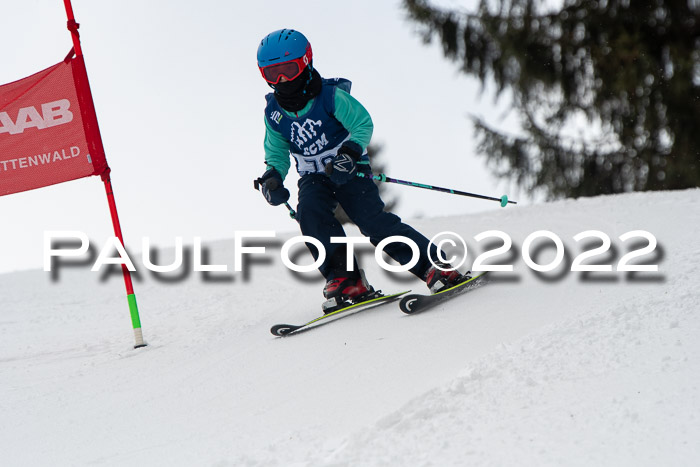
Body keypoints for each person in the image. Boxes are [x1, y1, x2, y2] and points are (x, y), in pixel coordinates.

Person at [256, 28, 468, 312]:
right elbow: (277, 152)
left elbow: (362, 123)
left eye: (288, 70)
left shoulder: (330, 97)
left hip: (349, 168)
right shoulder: (274, 113)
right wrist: (273, 176)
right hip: (312, 176)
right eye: (272, 74)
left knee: (372, 222)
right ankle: (346, 280)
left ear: (305, 62)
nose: (282, 79)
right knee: (310, 216)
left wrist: (350, 153)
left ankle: (435, 266)